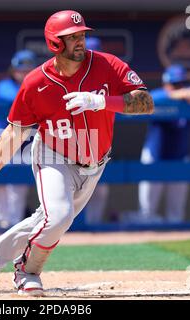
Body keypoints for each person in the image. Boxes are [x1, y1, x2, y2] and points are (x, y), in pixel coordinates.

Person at [0, 10, 154, 296]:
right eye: (72, 37)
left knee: (48, 221)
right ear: (55, 43)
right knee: (60, 216)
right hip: (54, 154)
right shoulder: (35, 82)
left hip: (95, 159)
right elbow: (16, 131)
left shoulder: (107, 65)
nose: (80, 41)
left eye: (82, 35)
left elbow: (146, 102)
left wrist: (101, 101)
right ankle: (27, 271)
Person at [137, 64, 190, 224]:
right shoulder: (161, 96)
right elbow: (151, 98)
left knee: (176, 213)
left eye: (181, 84)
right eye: (174, 85)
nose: (179, 88)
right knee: (147, 214)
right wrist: (177, 94)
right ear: (166, 84)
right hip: (155, 156)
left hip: (180, 157)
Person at [0, 50, 37, 228]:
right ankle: (3, 220)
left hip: (25, 139)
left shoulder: (39, 85)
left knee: (18, 185)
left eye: (28, 69)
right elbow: (13, 97)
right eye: (20, 69)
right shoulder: (4, 85)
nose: (23, 73)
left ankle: (14, 223)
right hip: (1, 136)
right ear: (13, 70)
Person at [83, 36, 110, 225]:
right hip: (72, 138)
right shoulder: (73, 73)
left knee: (100, 189)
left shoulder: (108, 73)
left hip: (99, 138)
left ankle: (94, 226)